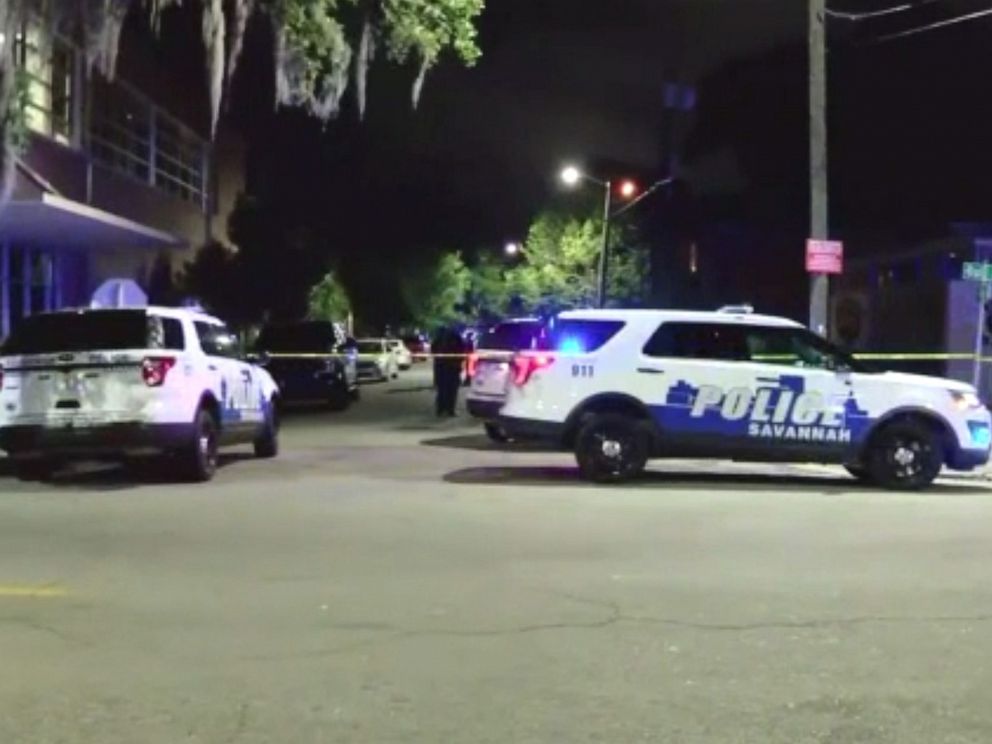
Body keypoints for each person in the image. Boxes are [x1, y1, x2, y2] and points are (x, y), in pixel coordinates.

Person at [432, 326, 465, 417]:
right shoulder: (457, 338)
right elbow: (462, 352)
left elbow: (433, 350)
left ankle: (441, 409)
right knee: (451, 390)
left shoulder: (439, 339)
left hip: (442, 367)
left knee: (442, 390)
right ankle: (450, 409)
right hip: (452, 368)